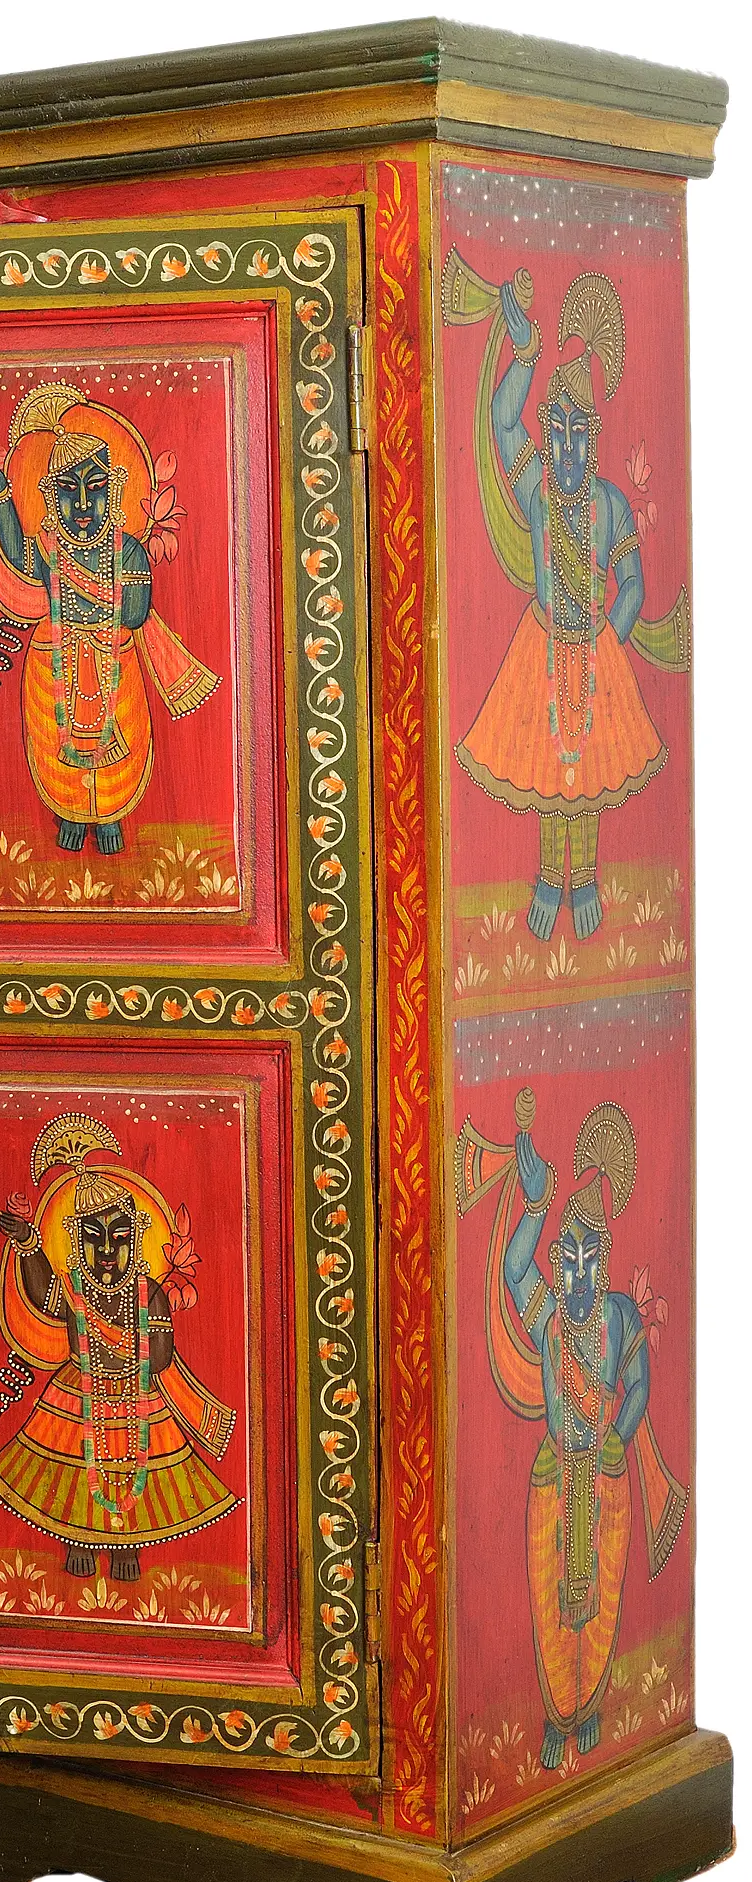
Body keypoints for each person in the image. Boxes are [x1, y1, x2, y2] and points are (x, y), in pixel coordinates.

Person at [458, 1093, 687, 1768]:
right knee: (550, 1601)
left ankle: (589, 1711)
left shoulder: (617, 1317)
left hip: (605, 1473)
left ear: (605, 1260)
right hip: (554, 1474)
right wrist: (535, 1204)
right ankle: (558, 1715)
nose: (579, 1273)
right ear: (558, 1260)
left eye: (591, 1260)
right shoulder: (550, 1318)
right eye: (570, 1259)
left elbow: (640, 1385)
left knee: (602, 1599)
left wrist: (620, 1432)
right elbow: (511, 1269)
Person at [453, 272, 669, 941]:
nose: (568, 447)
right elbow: (500, 421)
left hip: (595, 646)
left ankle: (588, 878)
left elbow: (632, 584)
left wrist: (611, 641)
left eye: (579, 432)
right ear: (547, 434)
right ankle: (551, 877)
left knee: (594, 762)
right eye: (558, 431)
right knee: (548, 762)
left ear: (593, 436)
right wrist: (525, 355)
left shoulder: (609, 504)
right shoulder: (538, 494)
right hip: (543, 642)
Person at [0, 1111, 238, 1583]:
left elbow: (162, 1354)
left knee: (134, 1466)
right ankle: (79, 1541)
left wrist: (132, 1350)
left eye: (119, 1239)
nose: (108, 1252)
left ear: (136, 1239)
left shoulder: (149, 1293)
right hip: (79, 1393)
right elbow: (41, 1293)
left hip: (137, 1395)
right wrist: (28, 1242)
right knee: (75, 1467)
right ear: (76, 1243)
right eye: (95, 1240)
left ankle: (126, 1548)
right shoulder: (74, 1289)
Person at [0, 381, 218, 856]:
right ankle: (71, 813)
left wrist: (127, 578)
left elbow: (134, 615)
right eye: (67, 490)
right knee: (53, 741)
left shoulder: (128, 550)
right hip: (53, 657)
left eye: (94, 490)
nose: (81, 505)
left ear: (112, 493)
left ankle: (111, 816)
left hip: (114, 659)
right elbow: (15, 554)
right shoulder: (48, 548)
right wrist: (3, 499)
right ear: (50, 496)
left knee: (123, 739)